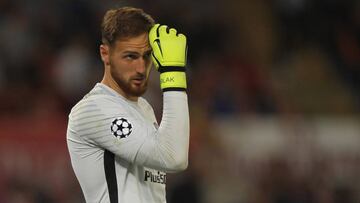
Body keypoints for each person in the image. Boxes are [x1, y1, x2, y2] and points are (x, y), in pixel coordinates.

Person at [66, 6, 190, 203]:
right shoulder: (91, 110)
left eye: (147, 56)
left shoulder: (144, 108)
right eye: (130, 56)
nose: (141, 68)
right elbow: (174, 157)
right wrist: (173, 72)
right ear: (105, 54)